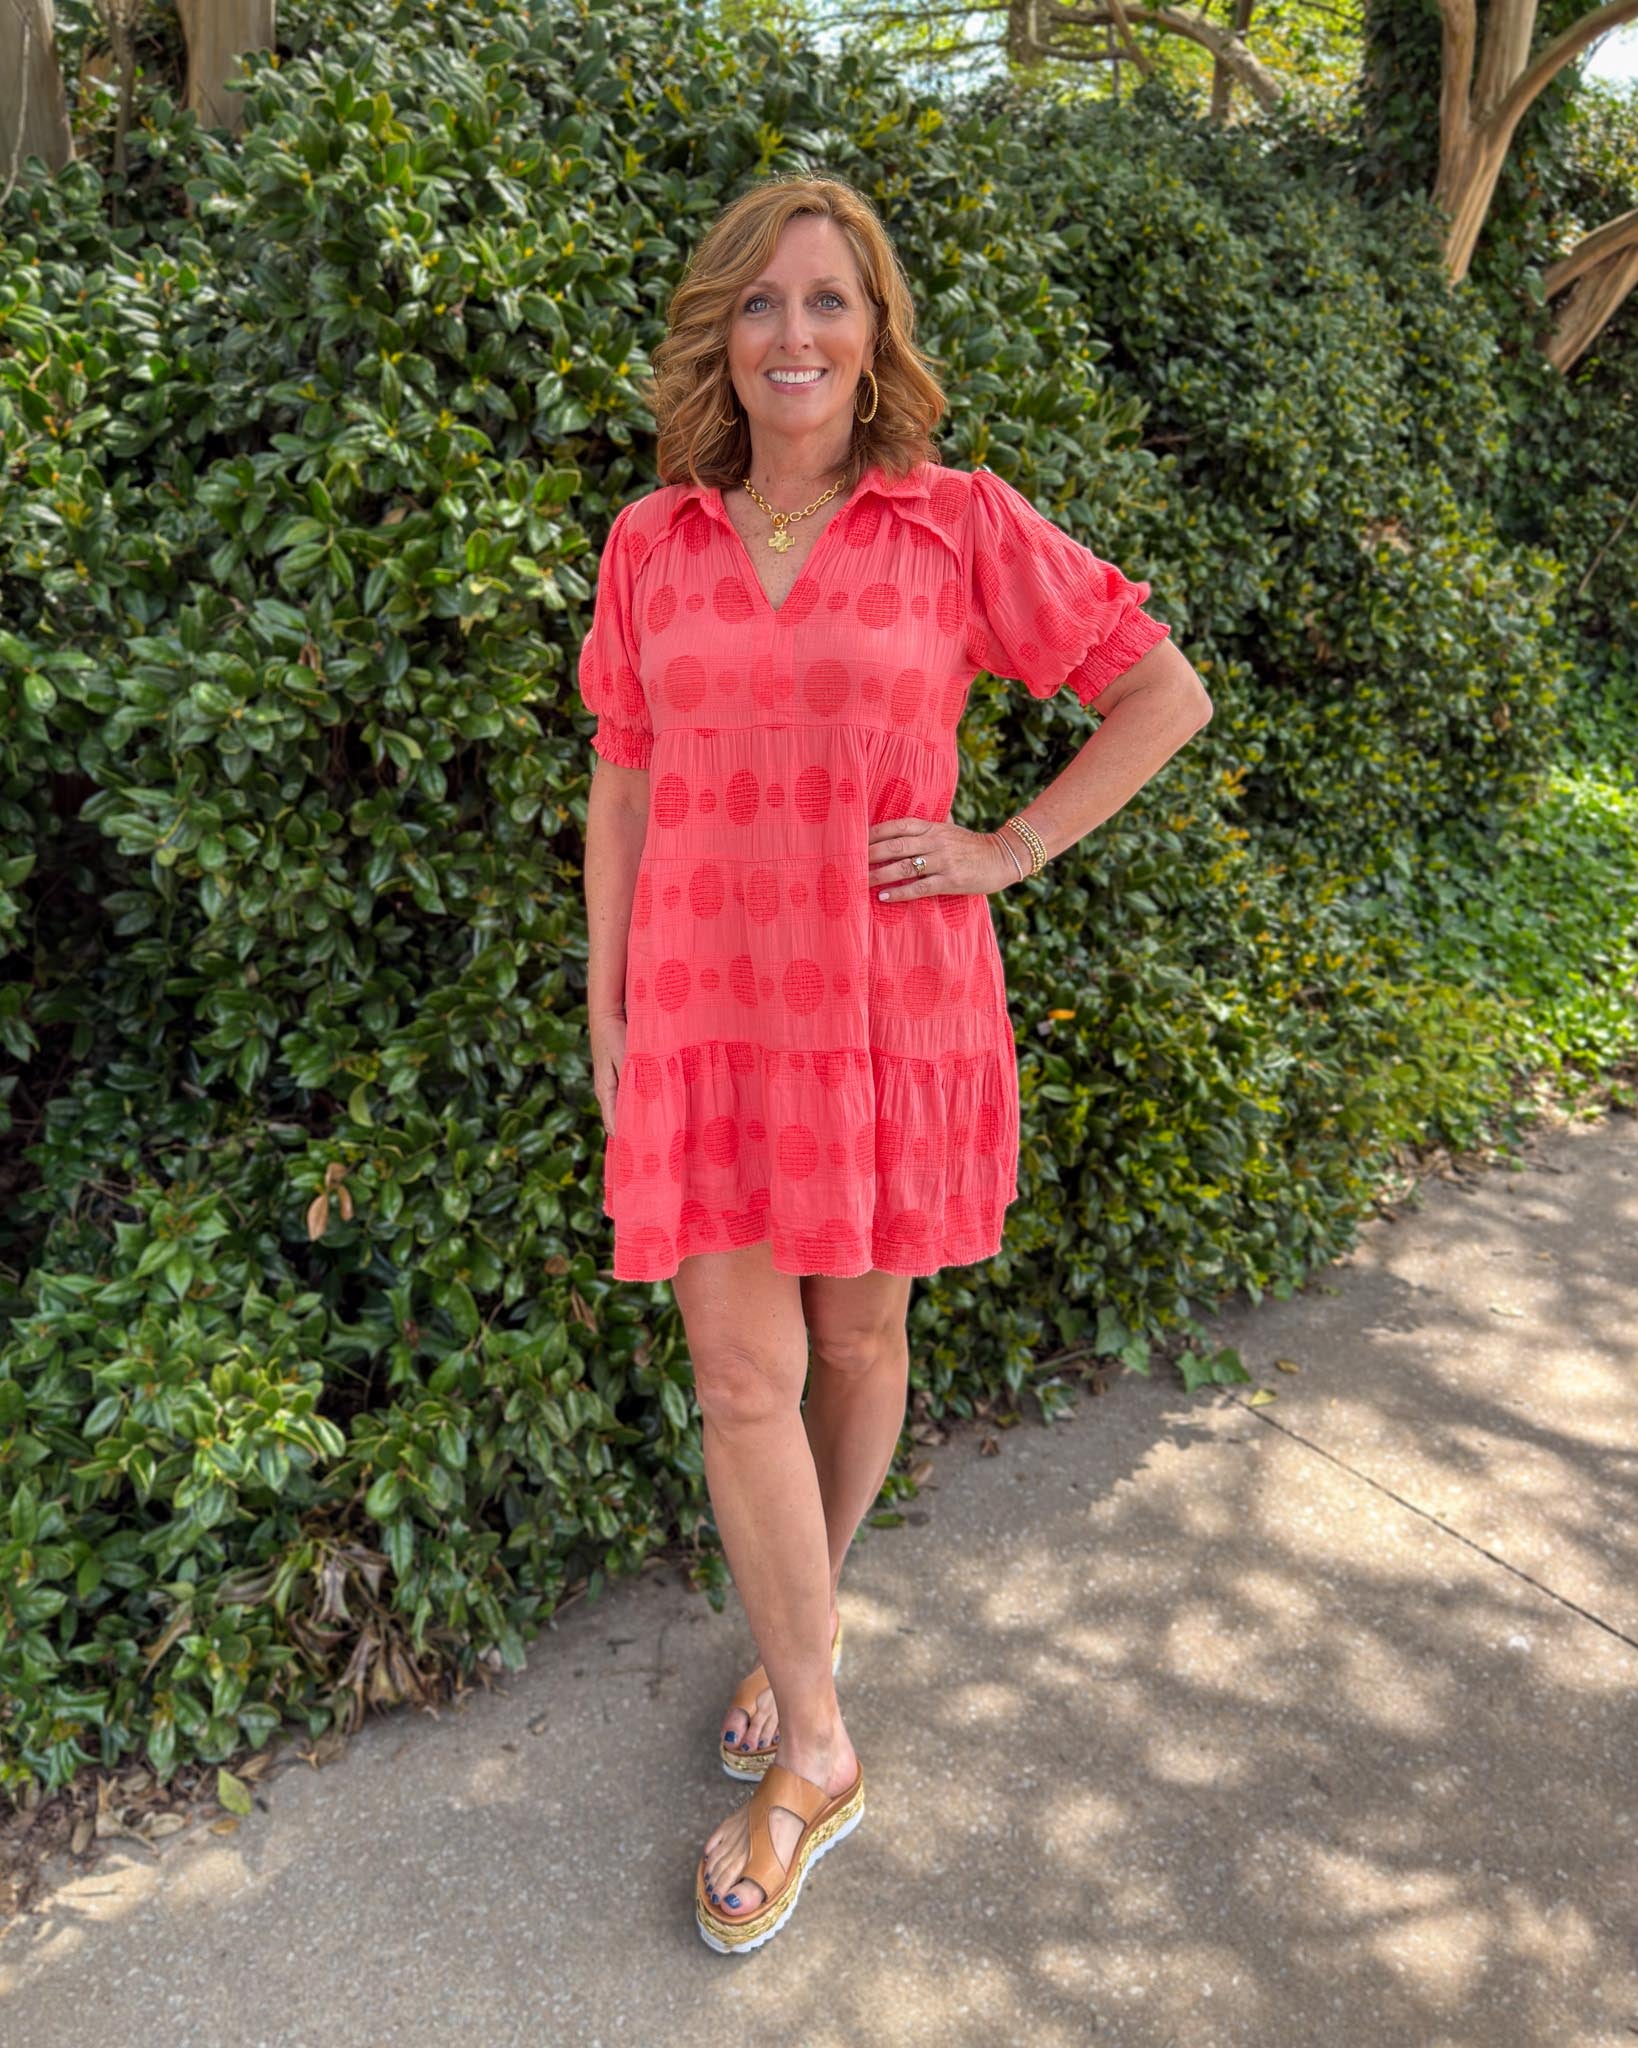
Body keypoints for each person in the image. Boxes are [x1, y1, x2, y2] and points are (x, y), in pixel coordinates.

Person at [578, 174, 1212, 1954]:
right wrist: (605, 1008)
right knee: (740, 1375)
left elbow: (1160, 693)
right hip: (703, 1007)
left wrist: (1008, 846)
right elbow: (622, 773)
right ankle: (819, 1750)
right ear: (721, 333)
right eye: (759, 302)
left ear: (874, 337)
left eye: (827, 302)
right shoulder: (653, 542)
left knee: (857, 1346)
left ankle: (800, 1639)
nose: (791, 334)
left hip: (880, 1004)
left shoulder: (954, 523)